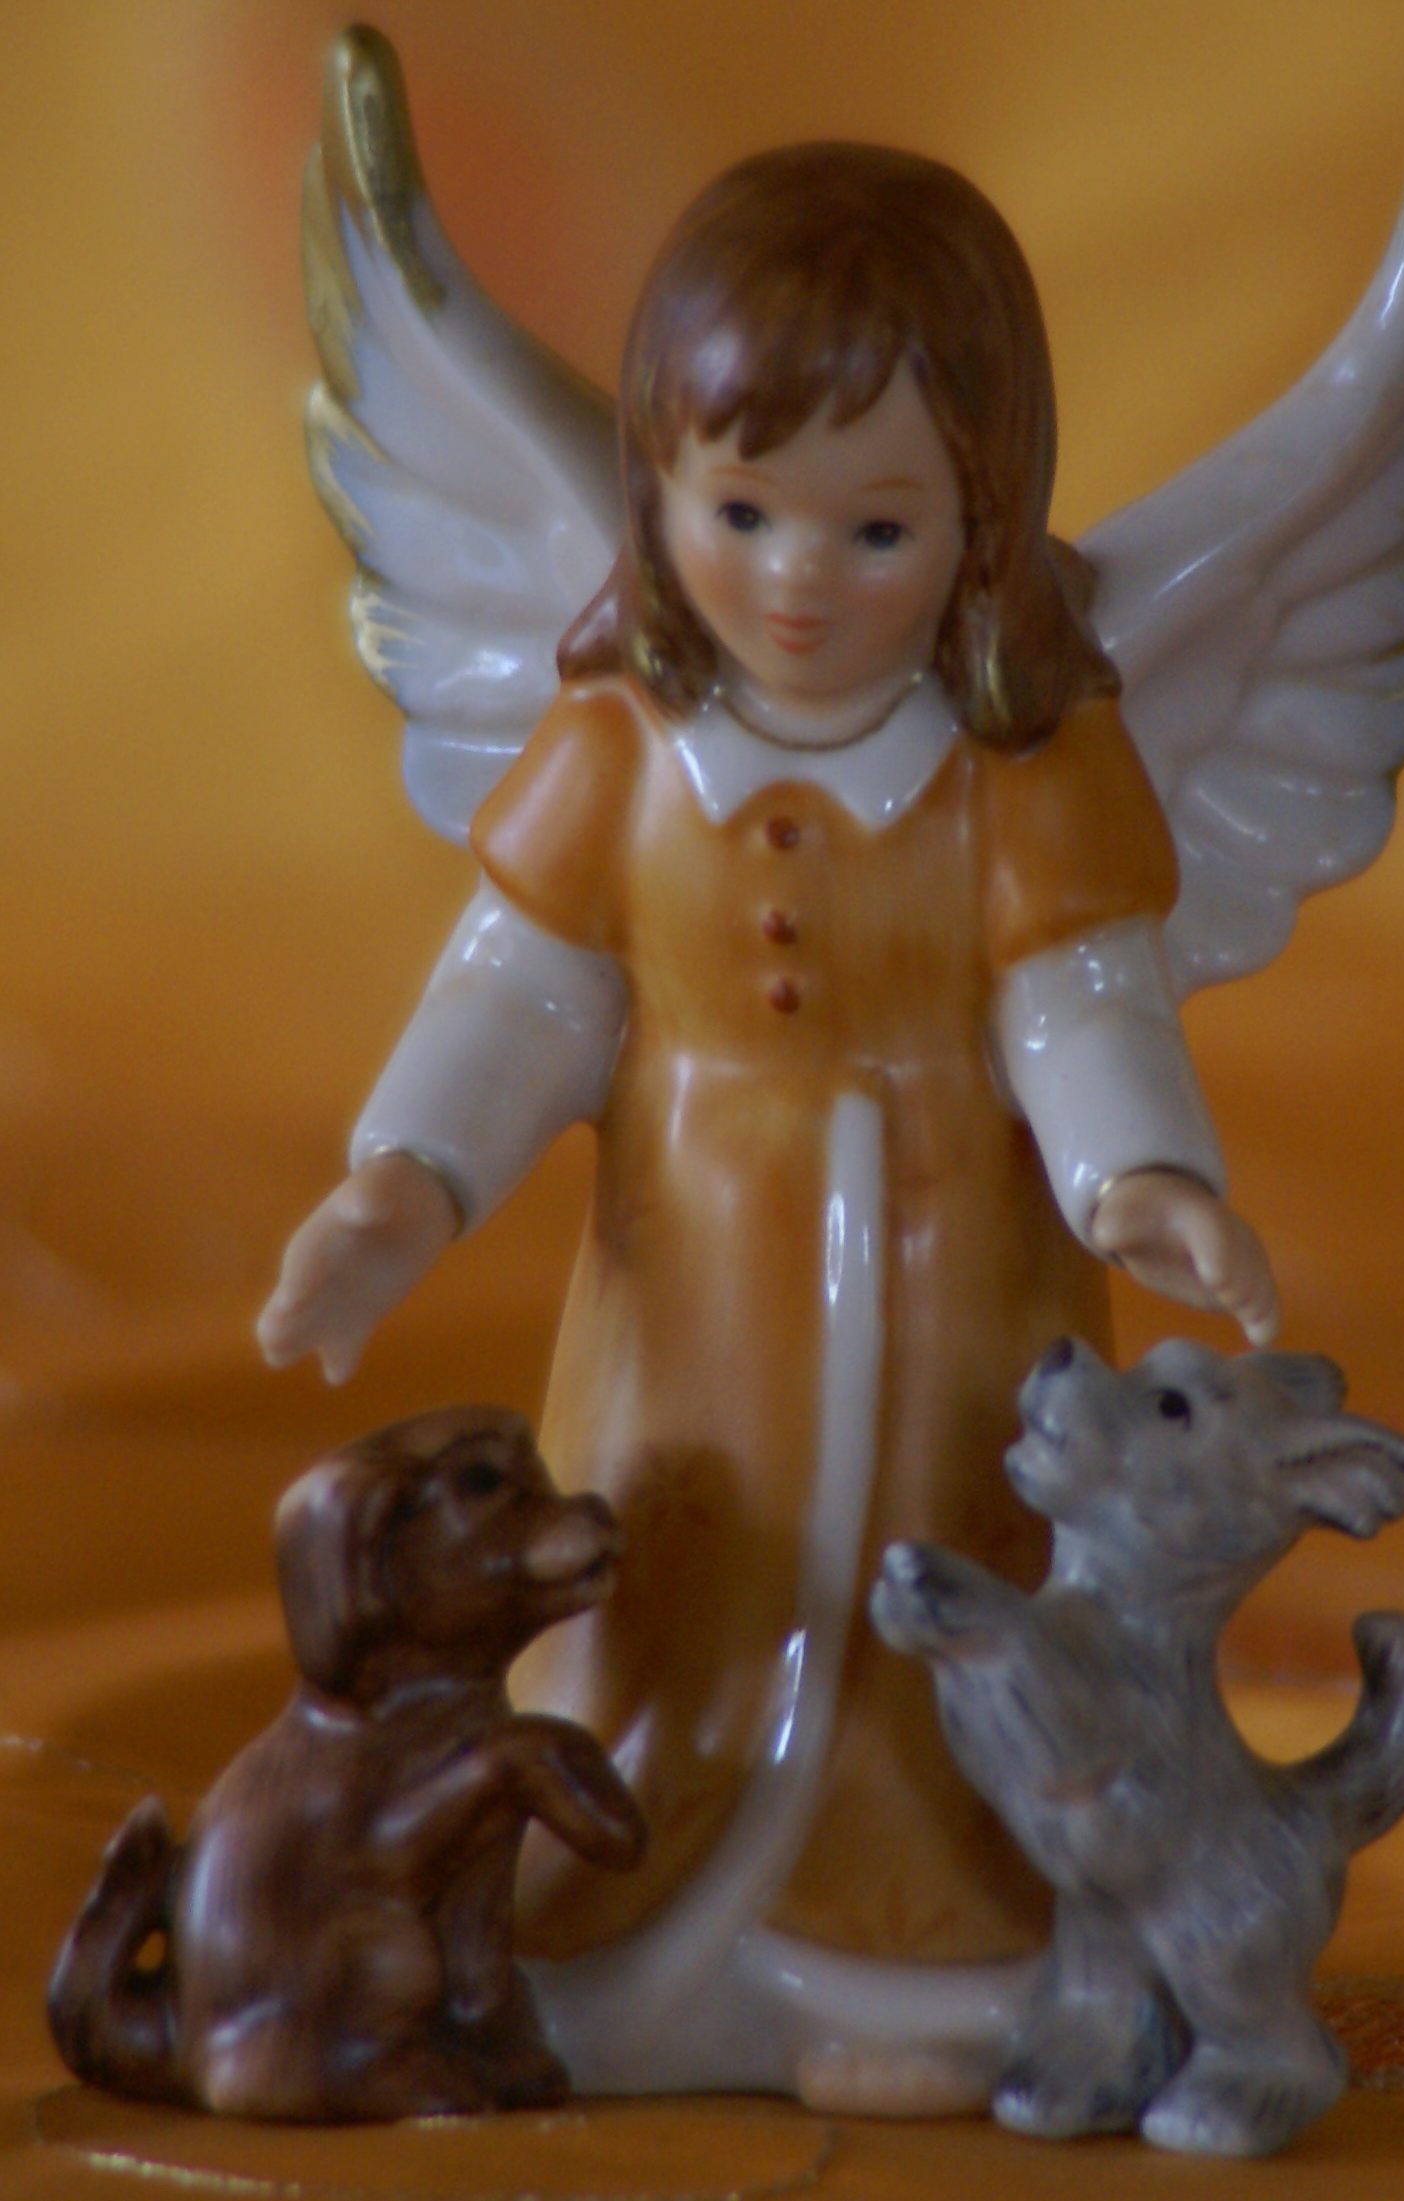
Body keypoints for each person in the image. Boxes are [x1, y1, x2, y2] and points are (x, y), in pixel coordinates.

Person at [260, 141, 1275, 2105]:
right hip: (693, 1305)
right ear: (653, 488)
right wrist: (404, 1181)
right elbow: (524, 989)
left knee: (931, 1618)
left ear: (982, 522)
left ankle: (912, 1976)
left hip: (966, 1292)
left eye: (875, 530)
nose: (798, 579)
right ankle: (629, 1952)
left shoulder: (1022, 768)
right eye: (740, 512)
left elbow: (1076, 997)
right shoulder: (620, 748)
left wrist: (1136, 1172)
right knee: (667, 1601)